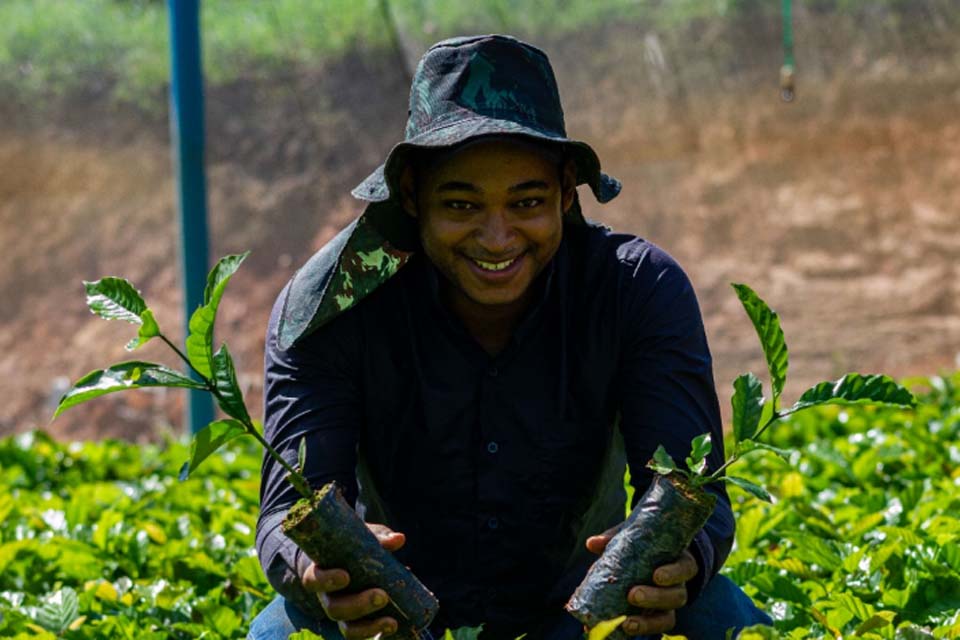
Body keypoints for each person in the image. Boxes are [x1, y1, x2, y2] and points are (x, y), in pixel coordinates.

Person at [249, 34, 772, 640]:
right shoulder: (329, 308)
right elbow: (288, 512)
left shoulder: (635, 289)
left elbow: (693, 490)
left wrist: (679, 563)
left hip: (585, 610)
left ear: (566, 186)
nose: (497, 239)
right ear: (413, 195)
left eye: (526, 201)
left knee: (722, 617)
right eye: (462, 205)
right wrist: (323, 570)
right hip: (397, 620)